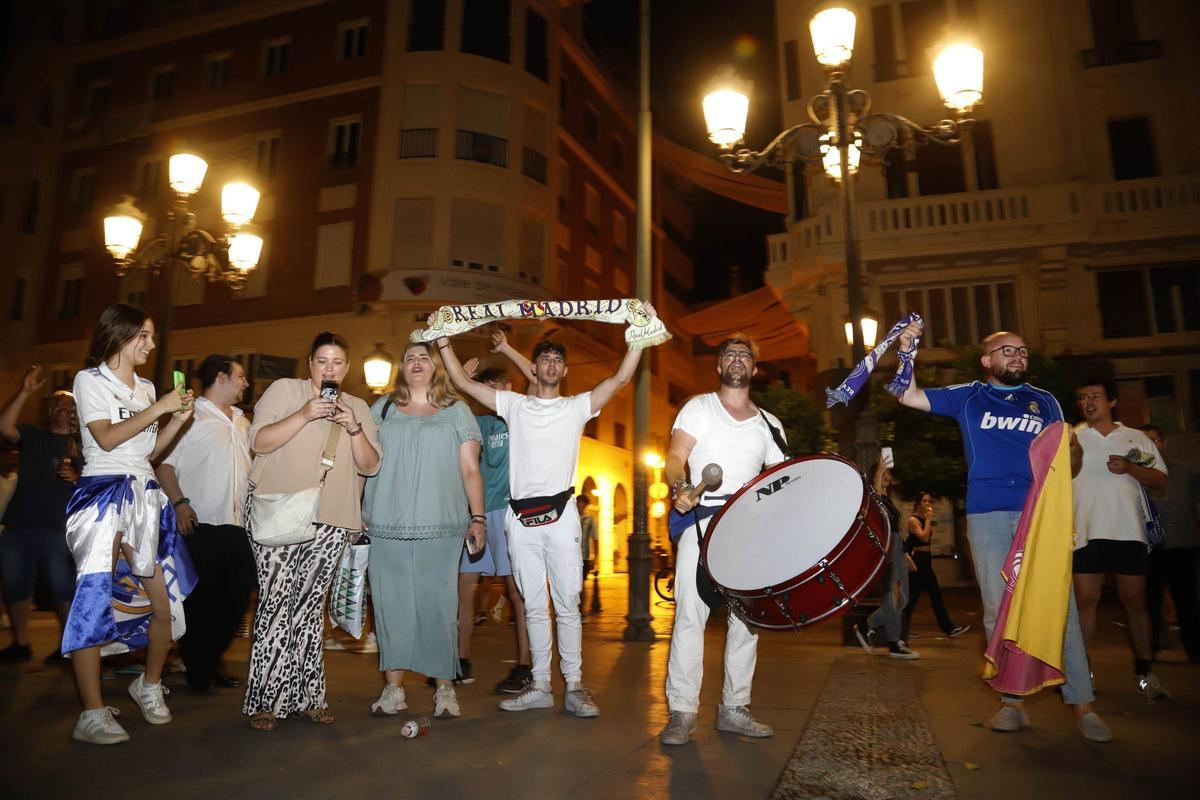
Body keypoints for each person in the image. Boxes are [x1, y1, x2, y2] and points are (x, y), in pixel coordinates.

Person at [897, 326, 1111, 743]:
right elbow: (906, 396)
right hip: (987, 512)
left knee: (1058, 604)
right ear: (987, 360)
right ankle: (1012, 703)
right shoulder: (970, 396)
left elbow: (1071, 463)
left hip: (1038, 513)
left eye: (1023, 351)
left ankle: (1083, 706)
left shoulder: (1045, 401)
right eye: (1007, 350)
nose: (1018, 356)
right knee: (999, 607)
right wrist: (906, 353)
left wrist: (1072, 448)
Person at [439, 309, 656, 718]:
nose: (551, 365)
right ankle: (540, 684)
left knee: (568, 602)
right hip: (519, 522)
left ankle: (574, 685)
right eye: (545, 360)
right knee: (534, 605)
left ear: (565, 370)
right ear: (534, 368)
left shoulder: (576, 407)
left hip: (561, 518)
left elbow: (620, 379)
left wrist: (638, 339)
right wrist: (443, 342)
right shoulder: (514, 405)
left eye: (558, 360)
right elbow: (462, 383)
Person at [64, 303, 197, 745]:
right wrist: (160, 406)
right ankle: (92, 711)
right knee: (93, 602)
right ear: (120, 335)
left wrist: (175, 420)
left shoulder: (145, 387)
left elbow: (148, 453)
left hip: (144, 497)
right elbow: (105, 438)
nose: (152, 344)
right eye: (145, 335)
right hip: (102, 494)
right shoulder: (90, 380)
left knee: (163, 604)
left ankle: (149, 683)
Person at [243, 332, 380, 731]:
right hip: (278, 510)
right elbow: (259, 442)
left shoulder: (359, 407)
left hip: (334, 518)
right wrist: (305, 414)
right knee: (275, 602)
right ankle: (265, 701)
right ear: (310, 364)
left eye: (337, 363)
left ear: (348, 368)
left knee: (307, 609)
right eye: (322, 362)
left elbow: (370, 466)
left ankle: (308, 697)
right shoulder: (286, 391)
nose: (330, 369)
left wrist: (354, 428)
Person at [660, 334, 784, 746]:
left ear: (754, 367)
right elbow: (675, 455)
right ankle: (682, 711)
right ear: (718, 366)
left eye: (745, 355)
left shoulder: (769, 424)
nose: (737, 360)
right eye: (729, 354)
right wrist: (680, 484)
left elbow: (781, 483)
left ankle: (735, 707)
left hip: (747, 527)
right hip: (702, 519)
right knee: (690, 616)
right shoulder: (699, 407)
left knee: (746, 621)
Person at [362, 341, 484, 720]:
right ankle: (393, 688)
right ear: (402, 367)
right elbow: (361, 462)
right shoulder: (380, 409)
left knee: (439, 607)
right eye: (410, 357)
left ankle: (444, 689)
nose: (416, 362)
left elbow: (469, 469)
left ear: (436, 367)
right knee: (389, 605)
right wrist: (354, 509)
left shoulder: (457, 411)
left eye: (424, 358)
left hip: (442, 525)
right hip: (384, 522)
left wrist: (478, 518)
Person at [154, 355, 255, 695]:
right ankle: (200, 666)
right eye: (241, 377)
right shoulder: (188, 416)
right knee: (201, 601)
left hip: (238, 524)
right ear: (222, 377)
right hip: (200, 523)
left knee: (236, 599)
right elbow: (164, 465)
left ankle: (209, 658)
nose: (246, 383)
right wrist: (180, 503)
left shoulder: (243, 422)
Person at [1071, 379, 1168, 698]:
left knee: (1135, 603)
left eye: (1095, 396)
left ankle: (1145, 674)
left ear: (1111, 401)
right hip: (1084, 533)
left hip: (1129, 532)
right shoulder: (1070, 436)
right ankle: (1083, 676)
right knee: (1084, 602)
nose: (1088, 401)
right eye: (1083, 396)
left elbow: (1160, 481)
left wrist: (1129, 467)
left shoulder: (1136, 438)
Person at [455, 361, 532, 695]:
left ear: (508, 389)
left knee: (517, 592)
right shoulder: (475, 421)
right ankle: (460, 661)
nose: (488, 395)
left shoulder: (521, 417)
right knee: (465, 589)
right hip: (477, 513)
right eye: (482, 389)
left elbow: (536, 378)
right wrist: (461, 378)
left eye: (494, 388)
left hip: (509, 513)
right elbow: (443, 408)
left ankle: (526, 665)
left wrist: (506, 351)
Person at [0, 370, 79, 663]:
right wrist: (24, 391)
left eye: (69, 406)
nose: (63, 409)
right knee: (14, 585)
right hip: (18, 525)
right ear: (49, 409)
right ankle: (20, 644)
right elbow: (4, 426)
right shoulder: (33, 435)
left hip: (58, 528)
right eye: (58, 404)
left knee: (62, 587)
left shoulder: (81, 446)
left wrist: (78, 477)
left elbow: (97, 484)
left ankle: (67, 647)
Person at [1139, 425, 1200, 662]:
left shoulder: (1187, 473)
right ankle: (1149, 648)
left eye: (1154, 440)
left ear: (1163, 442)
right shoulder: (1136, 476)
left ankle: (1194, 648)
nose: (1151, 446)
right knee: (1149, 601)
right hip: (1149, 549)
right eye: (1145, 442)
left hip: (1182, 545)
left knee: (1187, 601)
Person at [853, 459, 919, 660]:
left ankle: (868, 625)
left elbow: (897, 528)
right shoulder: (873, 499)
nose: (888, 477)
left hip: (897, 546)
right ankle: (895, 642)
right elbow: (877, 510)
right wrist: (879, 470)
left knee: (903, 598)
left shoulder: (888, 501)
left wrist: (906, 553)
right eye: (884, 474)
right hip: (885, 547)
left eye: (890, 474)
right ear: (875, 477)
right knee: (891, 595)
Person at [902, 492, 970, 640]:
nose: (928, 504)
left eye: (929, 501)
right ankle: (948, 628)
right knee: (931, 596)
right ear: (918, 503)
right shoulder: (913, 520)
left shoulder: (923, 518)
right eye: (924, 501)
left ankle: (902, 629)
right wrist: (928, 519)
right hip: (918, 561)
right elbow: (924, 537)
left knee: (921, 597)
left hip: (926, 560)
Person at [577, 495, 597, 614]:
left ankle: (582, 610)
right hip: (569, 556)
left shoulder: (590, 519)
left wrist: (595, 558)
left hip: (584, 556)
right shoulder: (570, 518)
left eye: (582, 503)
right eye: (578, 502)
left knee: (582, 584)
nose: (580, 505)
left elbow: (595, 539)